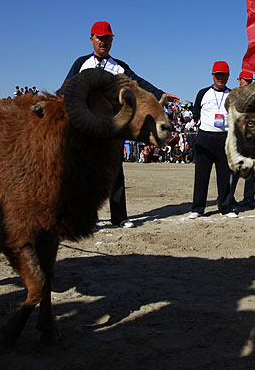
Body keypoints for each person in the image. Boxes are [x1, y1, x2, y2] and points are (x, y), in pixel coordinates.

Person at [59, 21, 178, 228]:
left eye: (107, 38)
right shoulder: (81, 63)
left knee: (115, 172)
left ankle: (120, 216)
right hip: (87, 125)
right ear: (92, 39)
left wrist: (160, 93)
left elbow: (139, 83)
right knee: (85, 173)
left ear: (112, 41)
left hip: (112, 125)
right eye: (100, 38)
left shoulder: (119, 66)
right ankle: (88, 217)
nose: (103, 42)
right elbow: (67, 88)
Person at [188, 61, 238, 219]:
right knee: (201, 175)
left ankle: (226, 207)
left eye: (223, 75)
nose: (220, 78)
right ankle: (198, 208)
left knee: (224, 176)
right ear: (212, 75)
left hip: (225, 137)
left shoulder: (233, 95)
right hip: (205, 137)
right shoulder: (203, 93)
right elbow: (196, 114)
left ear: (228, 76)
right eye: (217, 75)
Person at [229, 70, 255, 209]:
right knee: (234, 170)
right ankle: (228, 198)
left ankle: (249, 198)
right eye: (245, 80)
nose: (247, 83)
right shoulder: (232, 95)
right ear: (239, 80)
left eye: (250, 81)